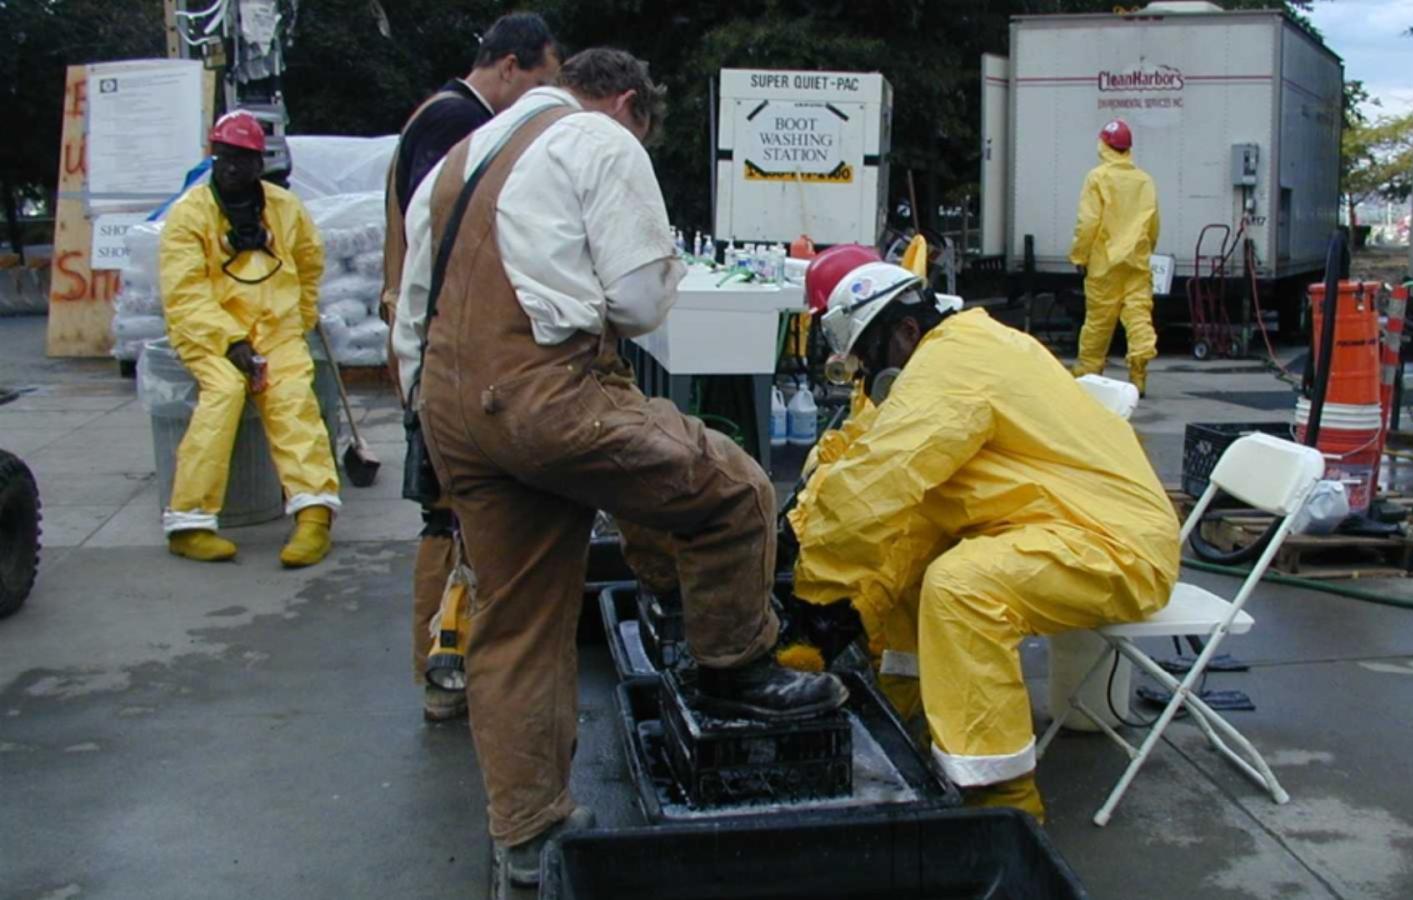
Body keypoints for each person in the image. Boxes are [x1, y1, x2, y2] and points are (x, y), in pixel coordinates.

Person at [392, 48, 847, 888]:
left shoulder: (463, 155)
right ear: (630, 103)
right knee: (735, 488)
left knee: (519, 618)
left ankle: (527, 834)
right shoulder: (601, 141)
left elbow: (411, 301)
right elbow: (639, 300)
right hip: (546, 394)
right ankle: (734, 673)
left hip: (452, 410)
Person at [786, 245, 1180, 821]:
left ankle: (1002, 804)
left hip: (1115, 542)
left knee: (960, 588)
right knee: (913, 556)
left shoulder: (953, 366)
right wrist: (853, 607)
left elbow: (878, 479)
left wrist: (815, 601)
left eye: (870, 359)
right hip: (1055, 520)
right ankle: (908, 720)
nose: (869, 379)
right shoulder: (957, 348)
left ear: (905, 331)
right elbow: (889, 494)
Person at [379, 12, 561, 724]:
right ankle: (442, 670)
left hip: (435, 345)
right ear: (511, 66)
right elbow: (452, 241)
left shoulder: (444, 115)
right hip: (443, 352)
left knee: (450, 513)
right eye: (542, 84)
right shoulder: (457, 124)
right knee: (446, 515)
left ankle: (449, 664)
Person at [159, 110, 339, 568]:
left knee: (293, 398)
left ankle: (314, 516)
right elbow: (185, 292)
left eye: (242, 159)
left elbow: (308, 262)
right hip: (210, 333)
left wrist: (295, 323)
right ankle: (189, 522)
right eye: (224, 158)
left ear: (260, 164)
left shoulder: (284, 208)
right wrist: (230, 340)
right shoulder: (190, 215)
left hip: (276, 331)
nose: (232, 168)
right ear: (214, 159)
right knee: (224, 392)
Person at [1069, 118, 1161, 395]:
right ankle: (1139, 377)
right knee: (1138, 320)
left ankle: (1088, 376)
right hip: (1136, 263)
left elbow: (1088, 223)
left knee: (1098, 323)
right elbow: (1153, 224)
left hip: (1104, 265)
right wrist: (1146, 251)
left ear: (1104, 144)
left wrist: (1079, 257)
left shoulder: (1097, 178)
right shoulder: (1145, 181)